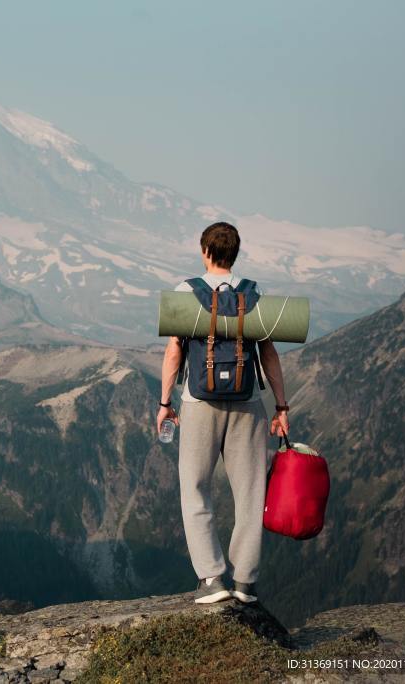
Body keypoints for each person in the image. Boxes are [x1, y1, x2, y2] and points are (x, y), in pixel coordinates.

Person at [156, 222, 289, 604]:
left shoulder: (186, 292)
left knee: (195, 488)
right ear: (235, 253)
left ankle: (212, 579)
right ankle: (245, 582)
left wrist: (165, 403)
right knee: (250, 492)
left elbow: (174, 352)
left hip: (200, 404)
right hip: (248, 404)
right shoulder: (252, 292)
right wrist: (280, 406)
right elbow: (268, 354)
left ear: (205, 251)